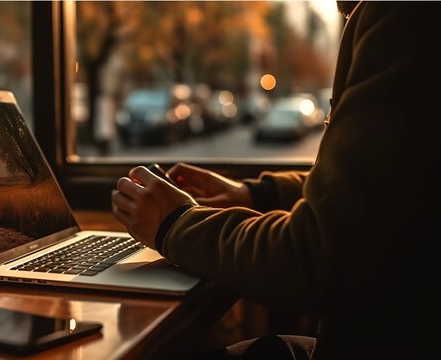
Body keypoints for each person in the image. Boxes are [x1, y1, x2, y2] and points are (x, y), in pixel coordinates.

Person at [111, 2, 441, 359]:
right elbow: (383, 194)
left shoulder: (406, 14)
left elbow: (317, 259)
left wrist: (174, 224)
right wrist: (257, 195)